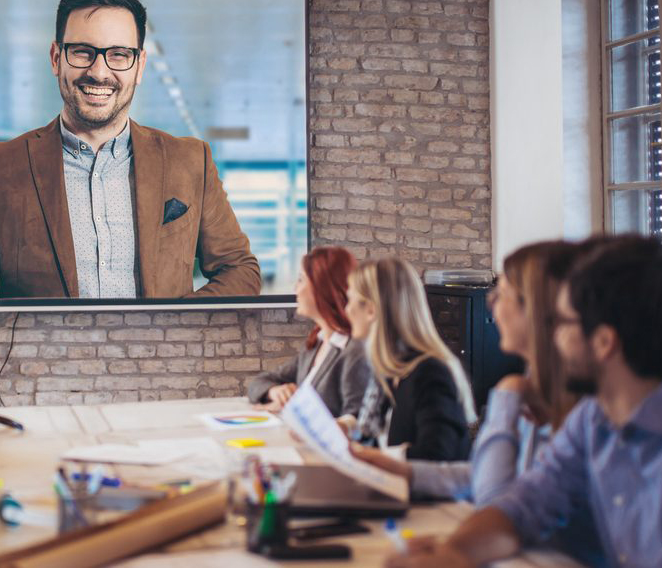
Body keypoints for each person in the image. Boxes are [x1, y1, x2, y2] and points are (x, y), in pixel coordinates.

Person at [389, 235, 662, 568]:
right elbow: (522, 507)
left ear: (604, 342)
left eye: (562, 323)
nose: (552, 336)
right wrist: (455, 553)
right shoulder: (596, 420)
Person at [0, 0, 260, 300]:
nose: (100, 72)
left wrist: (176, 326)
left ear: (140, 66)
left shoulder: (190, 161)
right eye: (83, 52)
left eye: (118, 55)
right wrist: (25, 341)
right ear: (55, 57)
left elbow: (239, 271)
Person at [352, 242, 604, 565]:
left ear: (538, 311)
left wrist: (506, 398)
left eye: (503, 292)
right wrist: (407, 472)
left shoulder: (578, 408)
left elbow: (496, 501)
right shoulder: (538, 386)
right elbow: (491, 484)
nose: (491, 301)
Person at [343, 257, 476, 461]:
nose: (346, 310)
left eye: (350, 300)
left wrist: (372, 457)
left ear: (371, 310)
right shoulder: (391, 369)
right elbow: (374, 438)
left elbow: (436, 456)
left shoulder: (430, 372)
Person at [246, 246, 370, 418]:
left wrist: (294, 409)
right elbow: (257, 383)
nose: (296, 288)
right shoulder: (317, 343)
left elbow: (356, 422)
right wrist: (276, 392)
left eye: (301, 280)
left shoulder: (355, 351)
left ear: (323, 287)